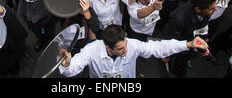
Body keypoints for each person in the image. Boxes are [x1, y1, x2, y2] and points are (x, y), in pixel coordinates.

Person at [58, 24, 208, 78]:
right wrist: (65, 65)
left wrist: (187, 44)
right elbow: (73, 68)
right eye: (120, 49)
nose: (125, 50)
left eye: (125, 45)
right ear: (108, 47)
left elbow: (158, 47)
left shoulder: (132, 45)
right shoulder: (91, 50)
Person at [163, 0, 217, 77]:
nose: (215, 10)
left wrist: (204, 37)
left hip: (193, 45)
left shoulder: (204, 12)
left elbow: (203, 26)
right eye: (211, 8)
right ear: (198, 9)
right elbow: (171, 37)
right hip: (184, 47)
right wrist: (167, 54)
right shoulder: (179, 18)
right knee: (181, 62)